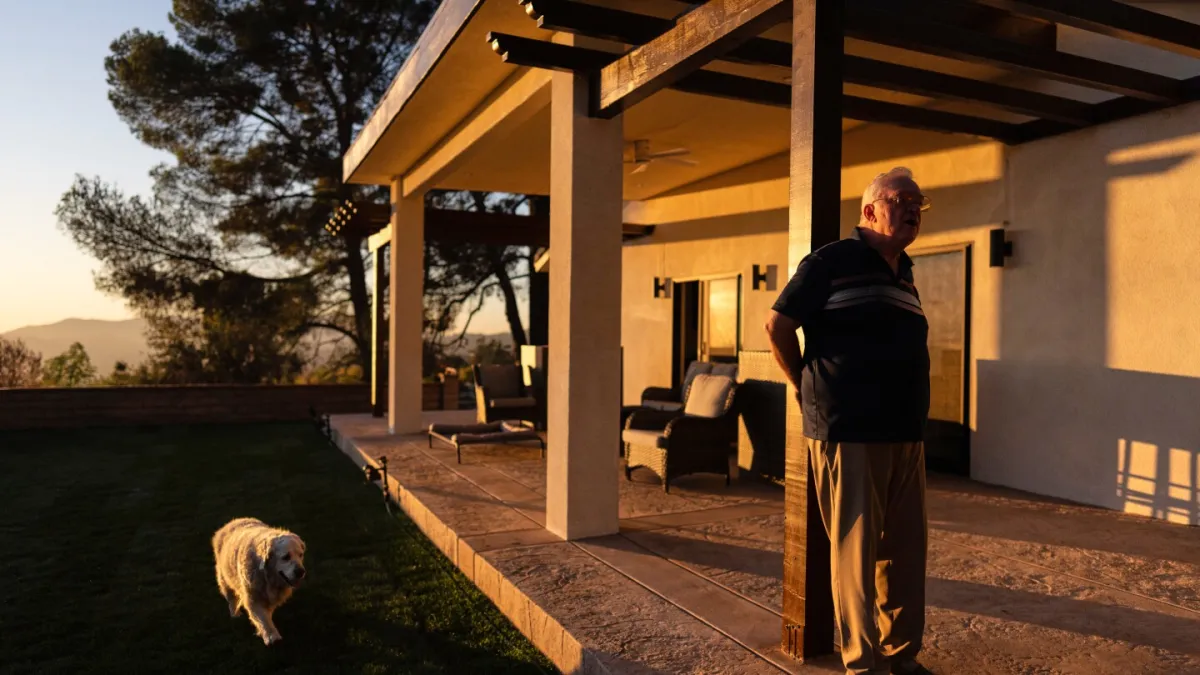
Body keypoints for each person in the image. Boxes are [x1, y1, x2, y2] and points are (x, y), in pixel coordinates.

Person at [764, 167, 933, 675]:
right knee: (856, 557)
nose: (912, 210)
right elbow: (778, 325)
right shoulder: (830, 261)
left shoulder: (905, 270)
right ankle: (864, 664)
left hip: (906, 432)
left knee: (904, 554)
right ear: (869, 210)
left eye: (919, 203)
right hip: (849, 430)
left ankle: (901, 656)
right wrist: (802, 385)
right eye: (902, 199)